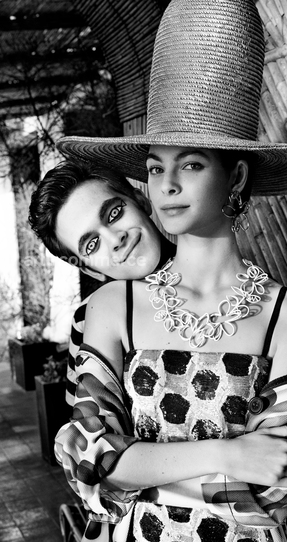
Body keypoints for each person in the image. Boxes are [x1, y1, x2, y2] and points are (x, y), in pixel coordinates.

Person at [54, 0, 287, 541]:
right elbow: (93, 462)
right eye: (154, 167)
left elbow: (275, 484)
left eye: (190, 163)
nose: (165, 186)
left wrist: (141, 467)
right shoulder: (113, 307)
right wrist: (227, 454)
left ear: (236, 178)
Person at [29, 160, 176, 404]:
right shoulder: (87, 319)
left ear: (141, 201)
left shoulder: (238, 281)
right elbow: (84, 419)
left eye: (114, 214)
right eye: (92, 244)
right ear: (88, 269)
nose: (115, 240)